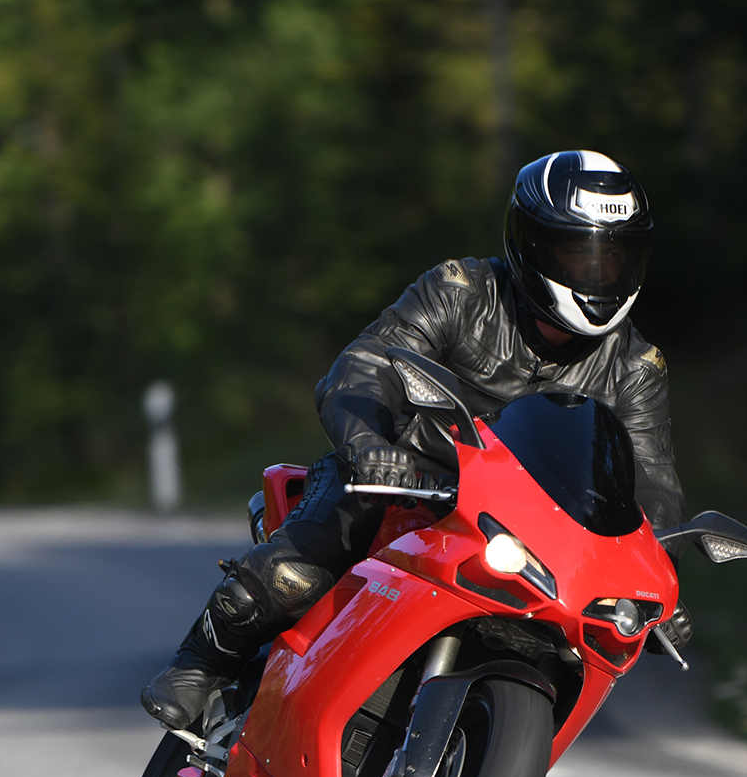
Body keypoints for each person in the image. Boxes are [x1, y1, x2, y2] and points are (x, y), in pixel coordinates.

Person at [142, 150, 694, 731]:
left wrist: (656, 581)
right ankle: (200, 663)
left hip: (533, 534)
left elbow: (652, 482)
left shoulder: (635, 366)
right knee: (293, 575)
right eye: (578, 253)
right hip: (400, 482)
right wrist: (368, 444)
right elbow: (364, 364)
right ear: (533, 244)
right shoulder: (462, 291)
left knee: (574, 651)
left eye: (614, 257)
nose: (598, 273)